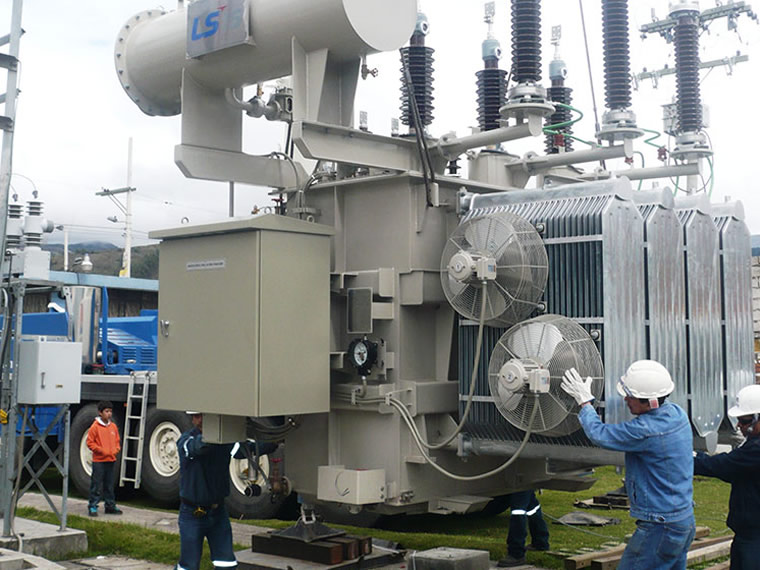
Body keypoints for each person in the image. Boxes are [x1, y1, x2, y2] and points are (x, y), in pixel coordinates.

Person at [562, 360, 695, 569]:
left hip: (660, 527)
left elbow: (600, 434)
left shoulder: (646, 429)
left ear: (650, 402)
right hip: (683, 521)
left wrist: (585, 404)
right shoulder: (676, 414)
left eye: (630, 396)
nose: (625, 399)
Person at [175, 411, 278, 570]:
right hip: (193, 513)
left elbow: (248, 449)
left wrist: (275, 440)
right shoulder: (186, 441)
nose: (200, 420)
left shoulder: (224, 442)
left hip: (218, 512)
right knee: (189, 565)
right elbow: (198, 448)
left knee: (226, 563)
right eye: (196, 416)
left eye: (203, 415)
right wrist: (222, 434)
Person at [693, 384, 760, 570]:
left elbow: (722, 466)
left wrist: (684, 458)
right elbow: (736, 471)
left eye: (744, 421)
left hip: (754, 537)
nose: (739, 425)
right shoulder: (753, 445)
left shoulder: (756, 449)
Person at [86, 400, 122, 517]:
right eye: (106, 411)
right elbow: (90, 442)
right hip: (99, 461)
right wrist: (100, 450)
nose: (109, 414)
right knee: (96, 484)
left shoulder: (113, 427)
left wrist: (116, 449)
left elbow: (117, 441)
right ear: (100, 413)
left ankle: (110, 505)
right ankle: (93, 506)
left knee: (109, 485)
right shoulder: (95, 427)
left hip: (110, 460)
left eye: (110, 411)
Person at [497, 489, 550, 567]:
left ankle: (516, 553)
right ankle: (540, 542)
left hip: (519, 483)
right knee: (532, 506)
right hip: (524, 482)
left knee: (518, 511)